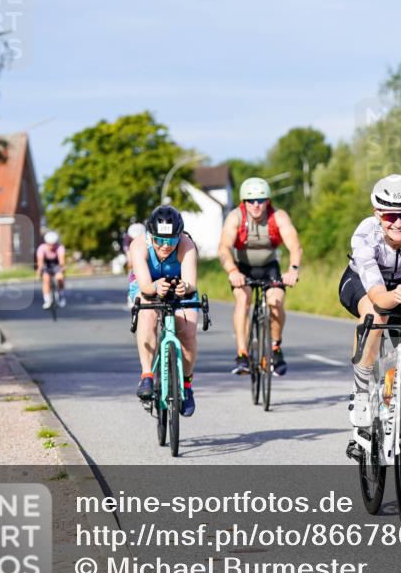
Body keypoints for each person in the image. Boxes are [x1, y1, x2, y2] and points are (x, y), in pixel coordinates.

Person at [337, 174, 401, 458]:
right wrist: (391, 297)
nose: (398, 222)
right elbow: (378, 295)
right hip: (363, 283)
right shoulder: (364, 235)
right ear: (377, 214)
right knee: (376, 314)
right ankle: (361, 396)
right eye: (390, 216)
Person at [217, 177, 302, 376]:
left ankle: (275, 347)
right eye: (251, 200)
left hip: (269, 267)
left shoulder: (278, 217)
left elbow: (294, 245)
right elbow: (223, 248)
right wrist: (232, 271)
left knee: (276, 302)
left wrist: (293, 269)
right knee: (243, 300)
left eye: (261, 200)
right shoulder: (235, 217)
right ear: (244, 202)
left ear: (268, 201)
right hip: (243, 268)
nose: (256, 205)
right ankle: (242, 354)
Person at [128, 205, 200, 416]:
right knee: (148, 312)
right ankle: (147, 376)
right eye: (160, 240)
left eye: (171, 241)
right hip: (148, 285)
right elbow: (144, 286)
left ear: (179, 236)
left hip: (179, 286)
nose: (166, 246)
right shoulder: (138, 245)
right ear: (150, 235)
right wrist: (154, 287)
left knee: (187, 332)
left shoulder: (186, 244)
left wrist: (184, 287)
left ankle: (186, 387)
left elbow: (191, 282)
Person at [36, 231, 66, 309]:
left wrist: (61, 271)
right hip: (46, 264)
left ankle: (61, 295)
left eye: (54, 244)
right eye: (50, 244)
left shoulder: (60, 247)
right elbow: (40, 262)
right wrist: (39, 270)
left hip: (56, 264)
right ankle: (47, 300)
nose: (52, 246)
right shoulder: (41, 248)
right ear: (46, 243)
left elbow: (61, 261)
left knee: (60, 278)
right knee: (46, 279)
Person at [124, 222, 146, 308]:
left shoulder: (146, 239)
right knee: (132, 273)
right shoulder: (127, 240)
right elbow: (129, 258)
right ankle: (131, 294)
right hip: (134, 263)